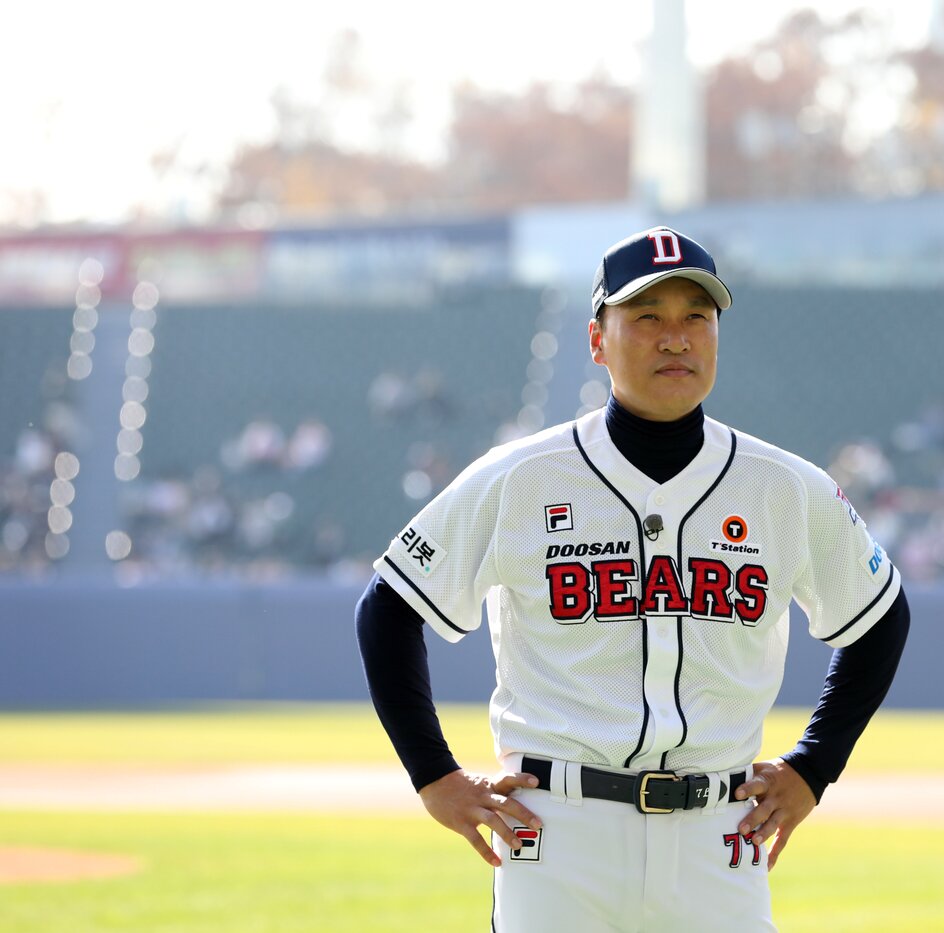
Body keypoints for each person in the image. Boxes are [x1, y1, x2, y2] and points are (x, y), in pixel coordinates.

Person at [355, 226, 910, 931]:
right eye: (647, 316)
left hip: (720, 835)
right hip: (558, 830)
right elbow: (389, 606)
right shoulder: (521, 476)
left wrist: (814, 764)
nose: (675, 338)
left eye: (695, 317)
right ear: (597, 340)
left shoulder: (784, 486)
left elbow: (881, 615)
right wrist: (434, 774)